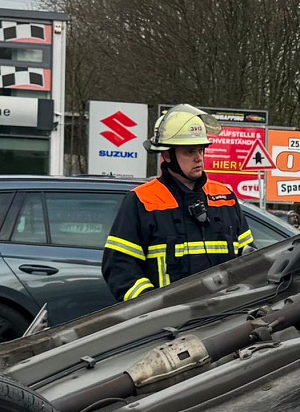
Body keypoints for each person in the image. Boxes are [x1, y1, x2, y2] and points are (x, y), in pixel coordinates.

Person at [102, 105, 251, 301]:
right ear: (167, 155)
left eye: (201, 150)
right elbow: (119, 266)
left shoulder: (224, 197)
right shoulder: (141, 201)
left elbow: (248, 257)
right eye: (189, 152)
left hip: (225, 316)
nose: (198, 158)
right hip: (170, 324)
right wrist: (150, 305)